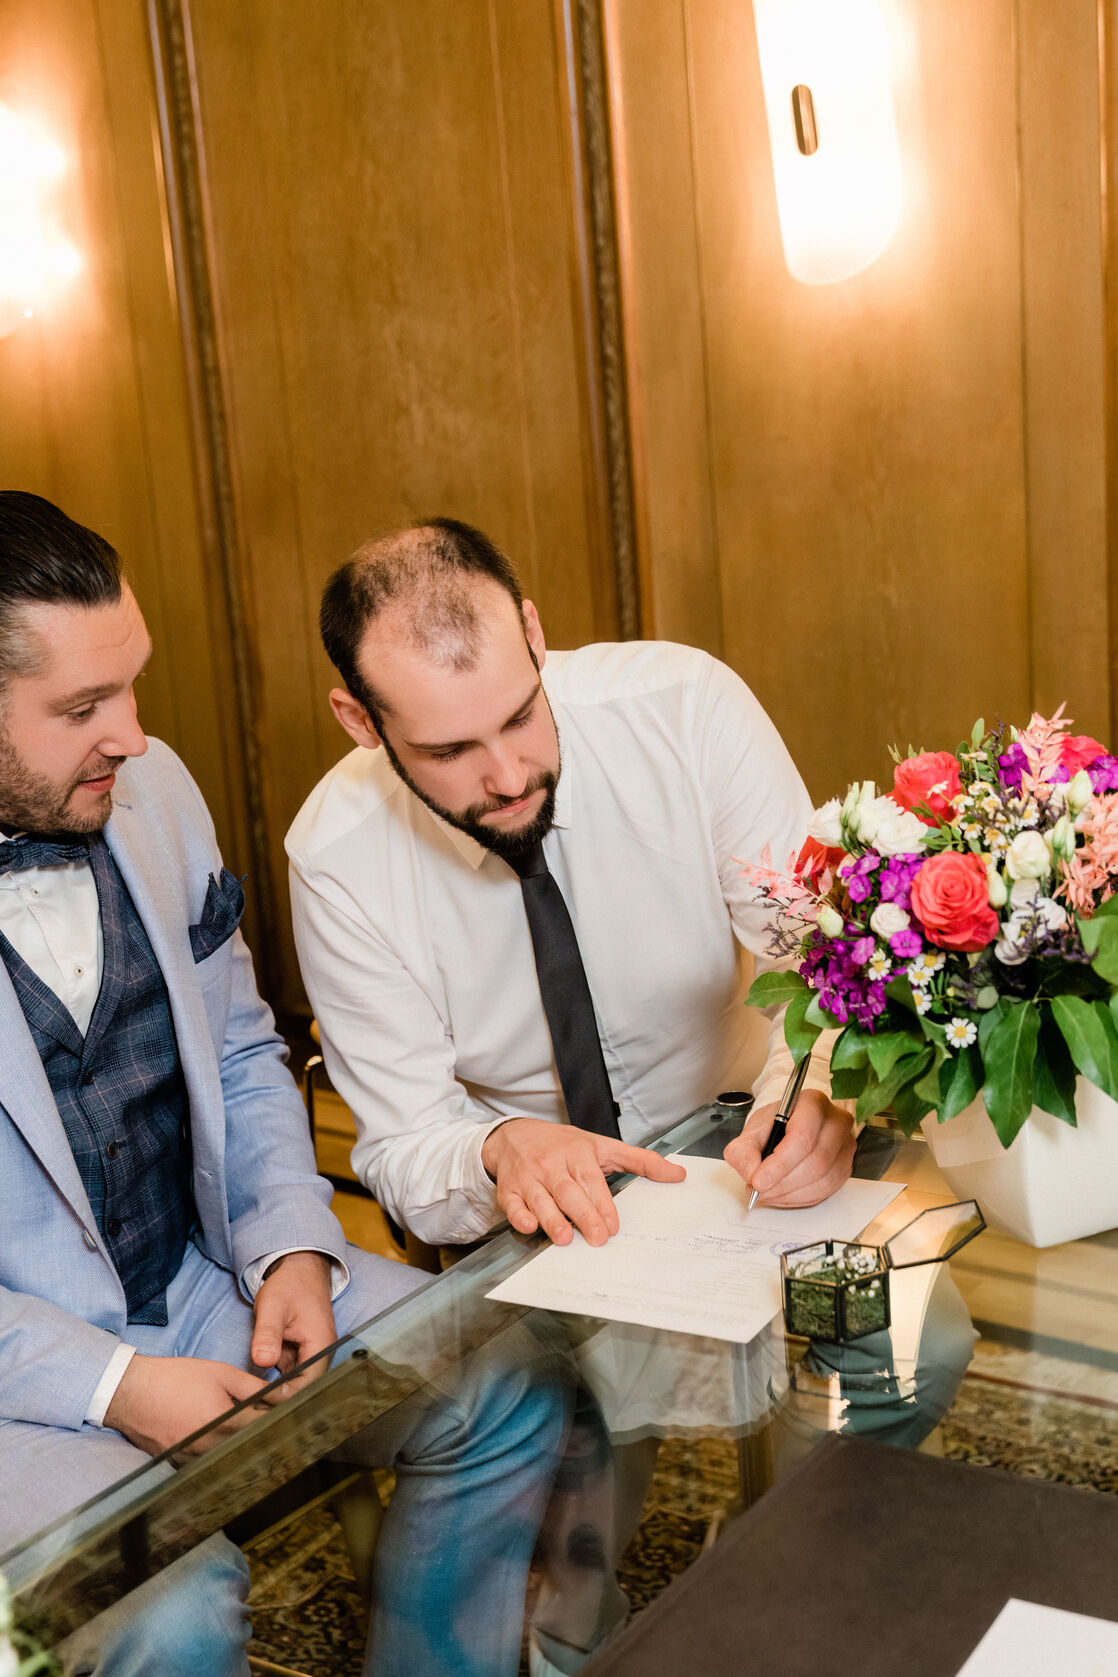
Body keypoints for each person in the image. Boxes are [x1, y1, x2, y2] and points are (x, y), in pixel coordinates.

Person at [0, 493, 569, 1677]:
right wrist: (111, 1384)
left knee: (504, 1387)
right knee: (168, 1608)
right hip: (21, 1366)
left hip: (203, 1276)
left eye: (132, 685)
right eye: (82, 708)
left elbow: (244, 1055)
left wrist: (290, 1249)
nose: (135, 735)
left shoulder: (151, 795)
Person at [287, 517, 856, 1253]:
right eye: (450, 749)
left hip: (744, 1157)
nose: (510, 776)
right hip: (527, 1229)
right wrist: (496, 1148)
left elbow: (817, 967)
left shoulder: (688, 710)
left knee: (930, 1349)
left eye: (521, 715)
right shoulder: (338, 857)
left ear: (533, 633)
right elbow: (404, 1145)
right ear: (360, 720)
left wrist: (810, 1094)